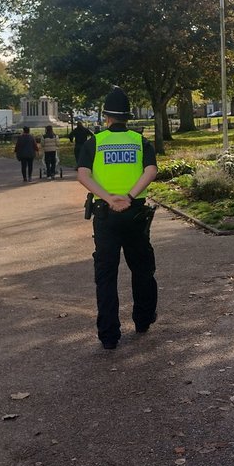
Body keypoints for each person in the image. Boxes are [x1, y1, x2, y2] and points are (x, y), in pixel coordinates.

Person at [77, 86, 158, 350]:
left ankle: (109, 335)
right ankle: (143, 319)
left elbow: (83, 175)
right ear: (127, 117)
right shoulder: (140, 141)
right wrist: (130, 196)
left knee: (106, 274)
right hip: (135, 214)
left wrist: (110, 198)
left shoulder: (95, 142)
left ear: (106, 117)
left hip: (105, 213)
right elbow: (151, 170)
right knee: (142, 269)